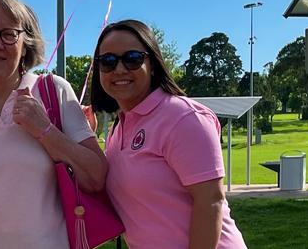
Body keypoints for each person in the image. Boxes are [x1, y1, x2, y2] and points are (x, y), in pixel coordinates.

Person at [0, 0, 108, 249]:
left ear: (26, 44)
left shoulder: (54, 91)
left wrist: (45, 130)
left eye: (9, 34)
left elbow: (96, 176)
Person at [90, 19, 247, 248]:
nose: (120, 69)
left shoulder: (183, 118)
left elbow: (210, 201)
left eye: (133, 59)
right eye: (108, 61)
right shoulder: (119, 128)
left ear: (152, 64)